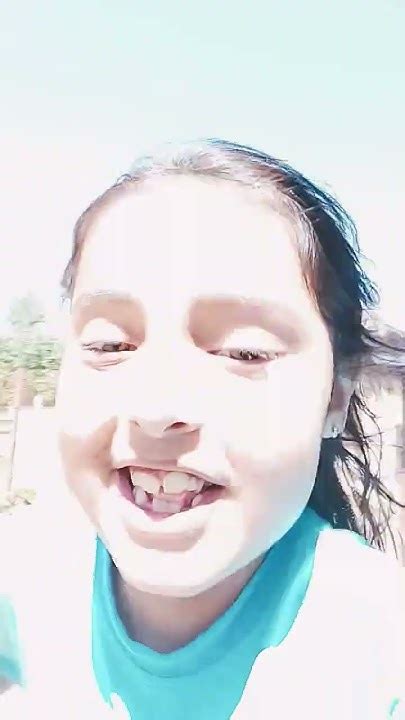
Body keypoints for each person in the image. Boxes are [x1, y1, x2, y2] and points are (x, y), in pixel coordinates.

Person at [1, 139, 404, 718]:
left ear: (335, 397)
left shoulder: (383, 654)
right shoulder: (18, 590)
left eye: (243, 352)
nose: (156, 406)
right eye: (109, 344)